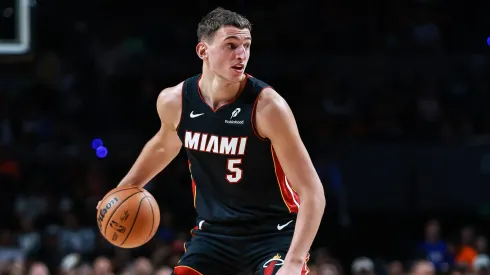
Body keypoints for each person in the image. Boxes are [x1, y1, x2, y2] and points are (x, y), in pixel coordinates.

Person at [100, 7, 325, 275]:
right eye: (231, 45)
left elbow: (312, 191)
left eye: (247, 45)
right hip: (214, 236)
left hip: (271, 234)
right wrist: (122, 190)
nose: (241, 54)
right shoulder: (175, 101)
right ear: (203, 51)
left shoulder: (268, 107)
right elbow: (164, 144)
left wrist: (294, 261)